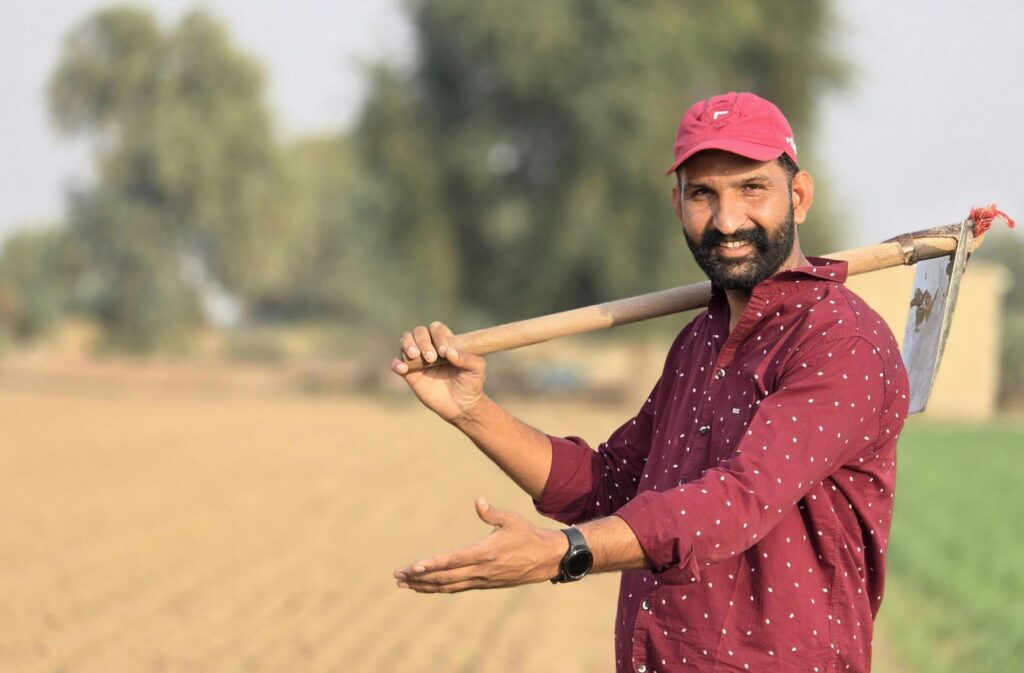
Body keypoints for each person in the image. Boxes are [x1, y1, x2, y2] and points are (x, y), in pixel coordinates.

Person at [390, 91, 909, 673]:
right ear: (677, 205)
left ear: (800, 195)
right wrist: (469, 408)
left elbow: (735, 502)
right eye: (703, 195)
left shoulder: (841, 342)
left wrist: (561, 554)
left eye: (752, 189)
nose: (728, 220)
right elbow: (607, 487)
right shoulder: (698, 343)